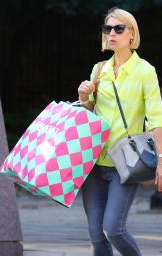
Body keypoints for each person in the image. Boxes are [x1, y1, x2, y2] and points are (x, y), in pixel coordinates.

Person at [78, 7, 162, 256]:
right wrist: (84, 98)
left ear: (132, 34)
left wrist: (161, 161)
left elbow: (156, 119)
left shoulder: (145, 71)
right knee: (97, 235)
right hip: (94, 162)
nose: (112, 33)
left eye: (119, 28)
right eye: (108, 28)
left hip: (126, 163)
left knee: (113, 229)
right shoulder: (99, 69)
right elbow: (91, 112)